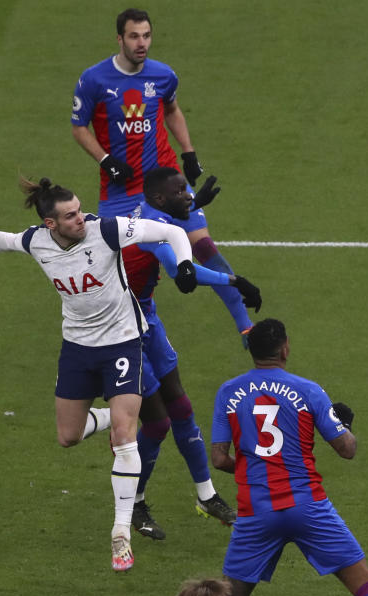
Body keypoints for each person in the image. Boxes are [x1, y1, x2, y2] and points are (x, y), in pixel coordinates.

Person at [0, 176, 201, 572]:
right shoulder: (36, 241)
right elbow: (1, 239)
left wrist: (187, 265)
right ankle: (117, 415)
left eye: (79, 210)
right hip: (77, 348)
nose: (81, 219)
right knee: (68, 436)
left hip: (123, 342)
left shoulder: (106, 228)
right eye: (71, 215)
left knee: (126, 437)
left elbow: (172, 231)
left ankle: (120, 533)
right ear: (50, 224)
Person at [209, 319, 368, 596]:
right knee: (365, 585)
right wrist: (344, 424)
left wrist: (254, 468)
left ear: (252, 352)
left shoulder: (228, 392)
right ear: (285, 348)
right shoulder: (308, 390)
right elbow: (347, 449)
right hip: (308, 506)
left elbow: (218, 459)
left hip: (256, 511)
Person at [71, 8, 254, 346]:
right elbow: (79, 128)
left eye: (146, 35)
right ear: (119, 39)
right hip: (120, 193)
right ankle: (131, 330)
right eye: (134, 36)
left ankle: (245, 326)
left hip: (165, 185)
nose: (142, 43)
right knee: (128, 270)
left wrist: (189, 153)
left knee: (202, 245)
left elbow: (171, 109)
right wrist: (106, 159)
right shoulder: (94, 80)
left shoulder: (163, 76)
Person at [124, 167, 263, 538]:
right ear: (159, 198)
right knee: (157, 422)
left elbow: (168, 222)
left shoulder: (149, 212)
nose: (189, 196)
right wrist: (236, 280)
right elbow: (184, 274)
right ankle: (133, 504)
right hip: (121, 328)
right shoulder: (149, 231)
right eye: (181, 191)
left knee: (181, 407)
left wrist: (190, 204)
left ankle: (206, 496)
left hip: (146, 317)